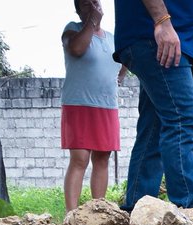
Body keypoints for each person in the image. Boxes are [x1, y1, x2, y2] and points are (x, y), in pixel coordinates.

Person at [114, 0, 193, 213]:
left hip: (168, 37)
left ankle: (138, 211)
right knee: (182, 118)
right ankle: (188, 210)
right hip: (159, 35)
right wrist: (162, 20)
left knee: (154, 128)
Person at [61, 0, 126, 213]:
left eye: (95, 2)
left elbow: (124, 58)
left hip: (107, 105)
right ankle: (71, 214)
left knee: (102, 158)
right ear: (78, 10)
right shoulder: (72, 29)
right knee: (80, 159)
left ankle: (98, 212)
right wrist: (91, 22)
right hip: (79, 104)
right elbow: (77, 49)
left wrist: (121, 75)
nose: (92, 7)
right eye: (86, 4)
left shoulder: (112, 38)